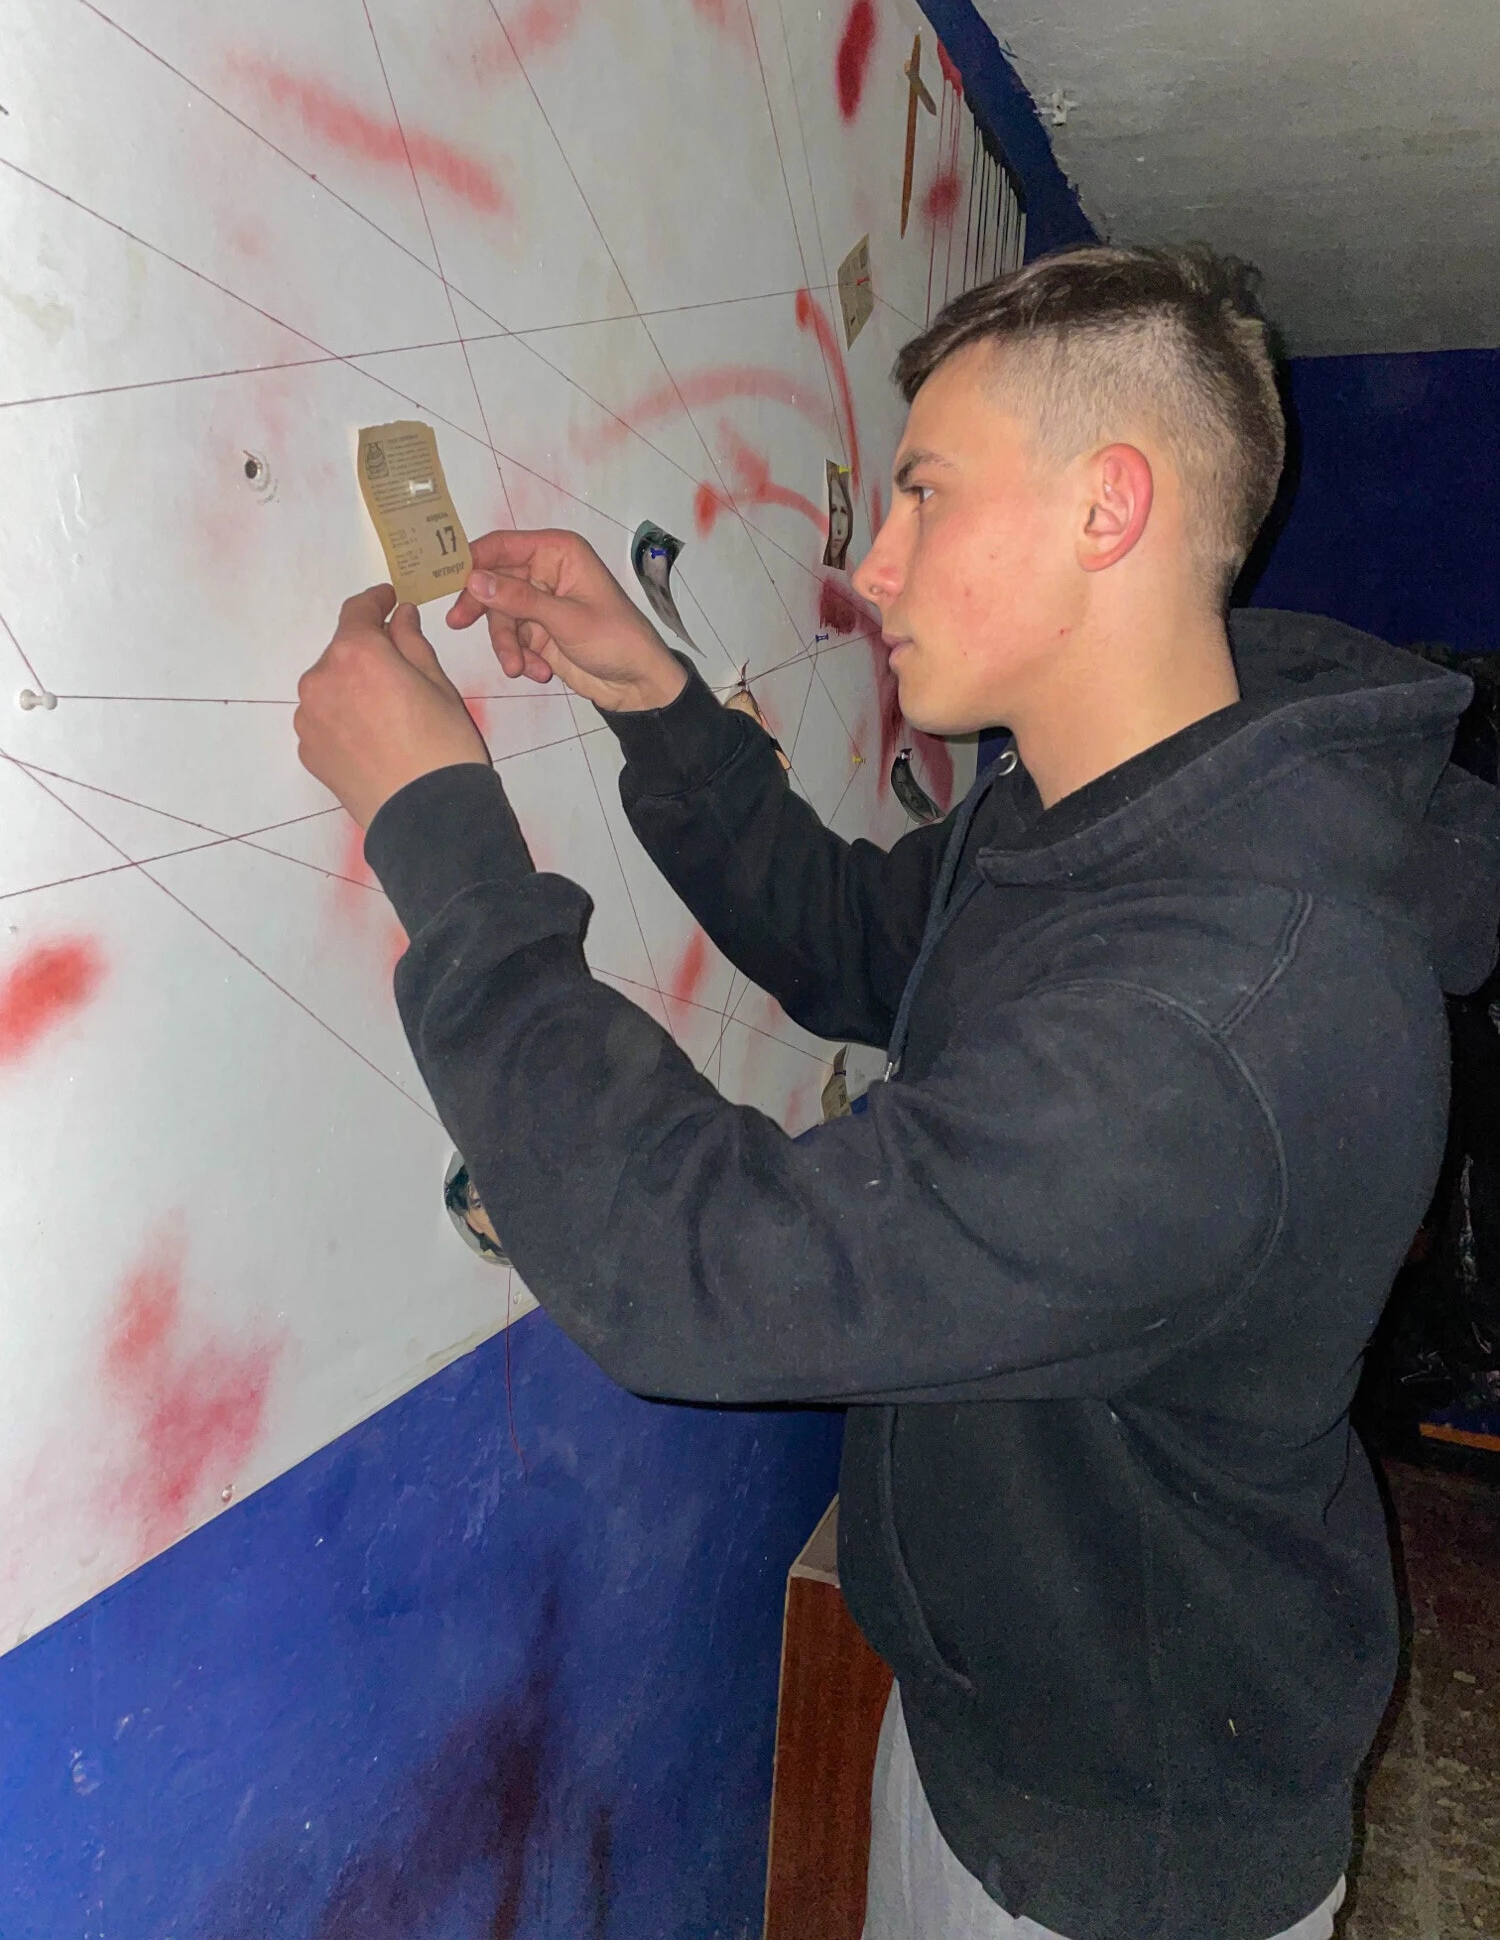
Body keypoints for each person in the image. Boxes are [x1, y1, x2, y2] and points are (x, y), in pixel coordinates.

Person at [294, 244, 1500, 1940]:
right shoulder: (1113, 804)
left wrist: (439, 832)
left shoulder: (1220, 1027)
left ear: (1109, 507)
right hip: (993, 1715)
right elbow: (864, 939)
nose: (873, 563)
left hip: (1129, 1851)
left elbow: (706, 1277)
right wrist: (656, 699)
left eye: (926, 492)